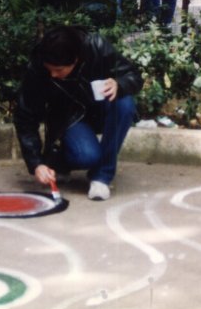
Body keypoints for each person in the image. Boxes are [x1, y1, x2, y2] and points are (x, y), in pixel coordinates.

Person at [14, 26, 142, 201]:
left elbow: (133, 75)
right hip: (68, 118)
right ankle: (58, 162)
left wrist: (119, 83)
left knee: (124, 103)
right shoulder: (38, 63)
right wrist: (37, 163)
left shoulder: (97, 45)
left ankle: (101, 177)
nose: (52, 74)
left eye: (58, 70)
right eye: (49, 69)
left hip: (99, 110)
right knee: (86, 156)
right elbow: (25, 114)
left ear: (75, 59)